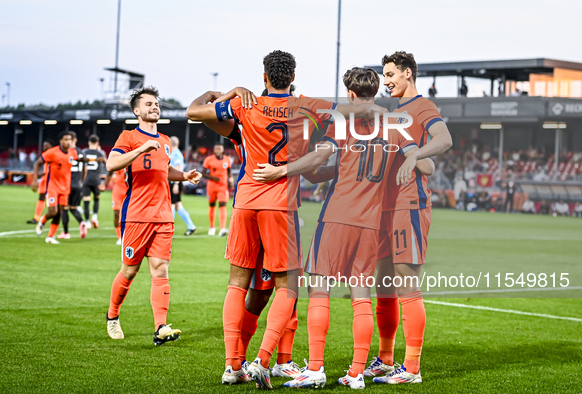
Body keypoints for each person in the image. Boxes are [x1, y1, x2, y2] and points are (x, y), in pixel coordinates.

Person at [187, 50, 387, 389]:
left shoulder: (244, 105)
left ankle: (232, 365)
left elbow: (193, 110)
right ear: (293, 77)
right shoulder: (307, 105)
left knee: (237, 283)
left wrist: (234, 91)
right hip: (280, 205)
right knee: (288, 286)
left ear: (263, 77)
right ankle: (264, 359)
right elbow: (350, 112)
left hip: (245, 201)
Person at [253, 67, 434, 389]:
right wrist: (408, 159)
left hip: (337, 215)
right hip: (372, 222)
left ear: (350, 93)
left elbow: (317, 159)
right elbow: (427, 164)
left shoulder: (343, 120)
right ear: (376, 90)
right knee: (361, 293)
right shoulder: (396, 125)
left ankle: (316, 368)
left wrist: (281, 171)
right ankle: (355, 373)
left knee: (319, 288)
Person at [367, 51, 452, 385]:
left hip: (409, 206)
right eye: (383, 76)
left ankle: (412, 368)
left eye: (390, 75)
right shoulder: (396, 114)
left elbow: (444, 140)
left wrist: (415, 152)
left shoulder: (422, 106)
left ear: (407, 73)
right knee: (384, 283)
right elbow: (425, 165)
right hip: (386, 208)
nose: (385, 81)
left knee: (406, 283)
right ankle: (386, 359)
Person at [104, 86, 202, 346]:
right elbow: (112, 164)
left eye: (156, 104)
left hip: (163, 216)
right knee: (129, 270)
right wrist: (140, 149)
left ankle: (161, 326)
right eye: (148, 104)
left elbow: (163, 169)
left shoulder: (166, 140)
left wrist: (184, 176)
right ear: (137, 111)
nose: (154, 107)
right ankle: (112, 316)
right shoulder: (128, 137)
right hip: (136, 215)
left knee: (160, 269)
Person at [32, 132, 79, 244]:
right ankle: (42, 221)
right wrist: (34, 180)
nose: (68, 142)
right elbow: (37, 163)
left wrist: (96, 160)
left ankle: (50, 237)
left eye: (69, 140)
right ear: (60, 141)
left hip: (65, 187)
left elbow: (80, 159)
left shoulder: (73, 152)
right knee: (53, 211)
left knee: (59, 213)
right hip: (52, 186)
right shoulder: (52, 152)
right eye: (65, 139)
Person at [59, 132, 88, 239]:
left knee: (64, 208)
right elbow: (85, 170)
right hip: (78, 185)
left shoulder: (67, 152)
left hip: (66, 185)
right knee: (74, 208)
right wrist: (81, 182)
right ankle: (82, 222)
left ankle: (66, 233)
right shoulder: (81, 152)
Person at [202, 142, 233, 236]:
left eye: (220, 149)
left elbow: (229, 171)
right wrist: (213, 178)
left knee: (222, 204)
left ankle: (222, 229)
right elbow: (203, 173)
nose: (218, 150)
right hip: (212, 185)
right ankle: (212, 227)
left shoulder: (227, 159)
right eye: (217, 148)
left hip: (223, 186)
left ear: (223, 150)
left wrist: (230, 181)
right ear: (214, 150)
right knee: (212, 205)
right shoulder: (209, 159)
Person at [169, 136, 197, 236]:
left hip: (175, 182)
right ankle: (191, 226)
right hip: (175, 181)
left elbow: (179, 168)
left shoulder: (176, 154)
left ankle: (169, 227)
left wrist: (176, 183)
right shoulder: (175, 153)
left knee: (171, 205)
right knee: (178, 205)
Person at [82, 135, 107, 229]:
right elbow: (107, 164)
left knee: (86, 202)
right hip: (97, 180)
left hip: (86, 180)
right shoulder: (101, 153)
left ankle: (87, 222)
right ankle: (95, 217)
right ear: (97, 143)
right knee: (96, 199)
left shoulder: (84, 152)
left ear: (89, 142)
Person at [27, 140, 54, 224]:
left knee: (54, 201)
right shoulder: (46, 155)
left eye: (46, 145)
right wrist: (41, 175)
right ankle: (36, 218)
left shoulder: (54, 154)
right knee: (41, 197)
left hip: (53, 181)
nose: (44, 147)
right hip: (45, 179)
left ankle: (48, 218)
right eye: (43, 146)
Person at [103, 168, 128, 245]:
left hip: (129, 188)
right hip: (118, 189)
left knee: (129, 214)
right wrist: (104, 185)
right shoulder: (119, 157)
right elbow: (110, 171)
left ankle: (129, 235)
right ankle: (120, 236)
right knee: (116, 212)